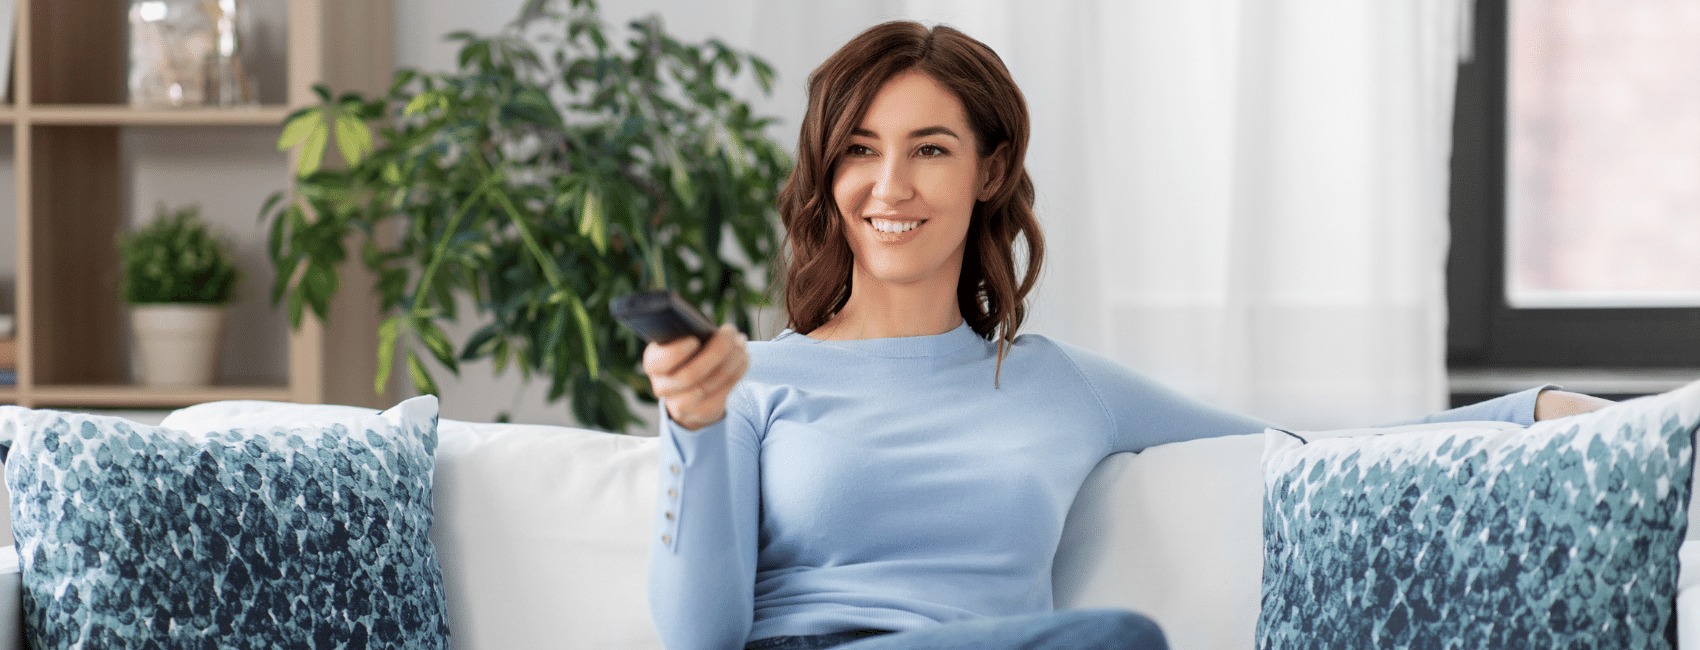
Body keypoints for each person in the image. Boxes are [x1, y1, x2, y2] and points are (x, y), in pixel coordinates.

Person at [640, 21, 1613, 650]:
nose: (888, 185)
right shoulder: (745, 377)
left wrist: (1528, 410)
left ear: (987, 170)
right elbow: (696, 638)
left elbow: (1299, 450)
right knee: (1107, 640)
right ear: (827, 172)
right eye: (858, 149)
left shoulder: (1061, 386)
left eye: (927, 149)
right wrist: (692, 424)